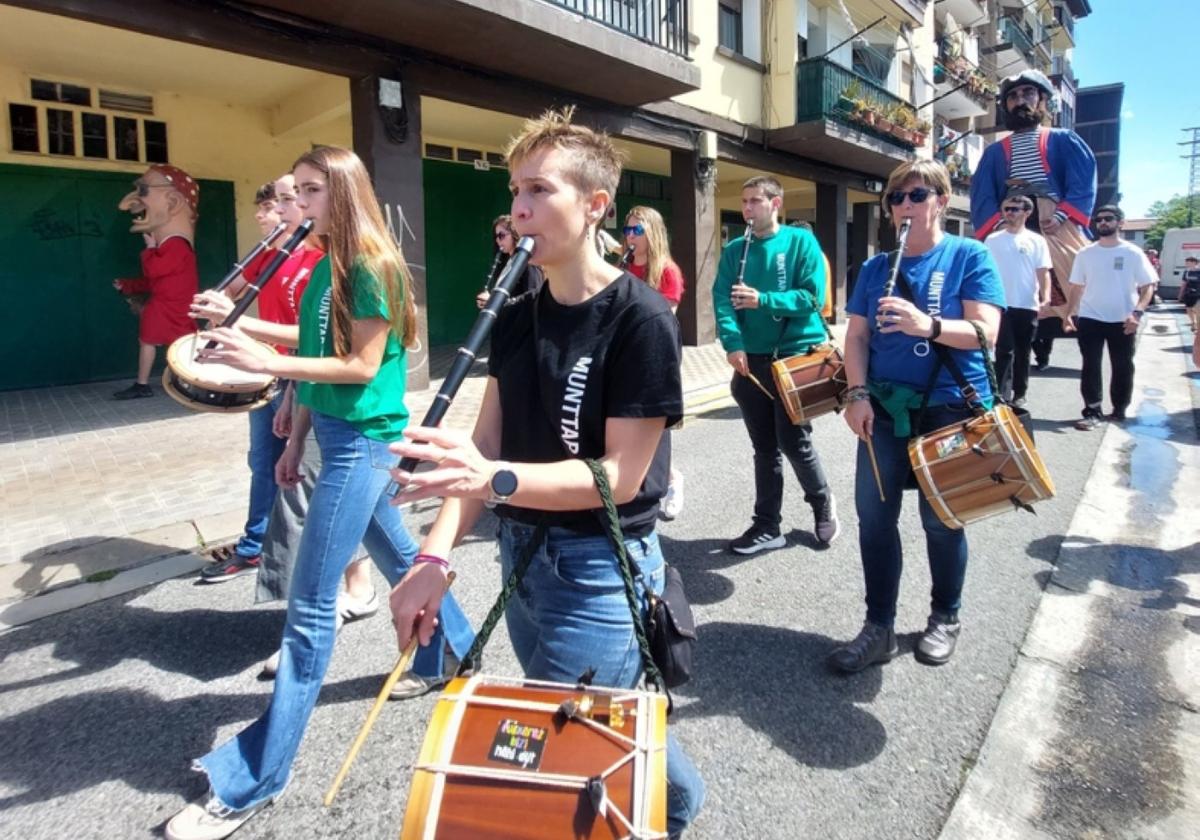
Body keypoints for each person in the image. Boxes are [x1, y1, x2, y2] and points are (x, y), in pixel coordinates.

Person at [387, 107, 705, 838]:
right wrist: (434, 555)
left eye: (538, 190)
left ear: (596, 205)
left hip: (598, 570)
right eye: (514, 192)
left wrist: (492, 479)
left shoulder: (642, 318)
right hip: (522, 561)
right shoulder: (517, 310)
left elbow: (621, 476)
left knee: (569, 764)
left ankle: (667, 811)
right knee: (588, 739)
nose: (518, 208)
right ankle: (676, 806)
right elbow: (486, 441)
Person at [164, 146, 476, 840]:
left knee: (309, 615)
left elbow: (360, 364)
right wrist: (295, 426)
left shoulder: (370, 264)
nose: (297, 204)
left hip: (364, 443)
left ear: (342, 190)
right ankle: (454, 647)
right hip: (332, 439)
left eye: (310, 190)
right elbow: (312, 346)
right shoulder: (325, 264)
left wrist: (270, 365)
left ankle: (253, 782)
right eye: (294, 191)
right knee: (403, 561)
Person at [829, 159, 1005, 673]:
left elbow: (985, 332)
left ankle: (945, 615)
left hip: (950, 408)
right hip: (883, 409)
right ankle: (878, 626)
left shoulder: (970, 254)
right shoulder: (874, 268)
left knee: (941, 523)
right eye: (896, 198)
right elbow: (857, 337)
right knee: (874, 521)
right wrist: (856, 393)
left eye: (917, 195)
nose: (905, 206)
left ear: (941, 201)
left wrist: (926, 324)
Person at [191, 174, 377, 641]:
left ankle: (310, 624)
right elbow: (306, 337)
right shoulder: (292, 259)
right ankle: (422, 621)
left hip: (327, 396)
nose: (273, 209)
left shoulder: (344, 265)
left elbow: (353, 357)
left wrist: (286, 383)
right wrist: (230, 316)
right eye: (280, 199)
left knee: (310, 501)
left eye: (295, 197)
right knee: (345, 505)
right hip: (298, 384)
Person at [712, 175, 839, 554]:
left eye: (755, 201)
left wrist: (762, 300)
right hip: (752, 362)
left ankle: (822, 503)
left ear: (775, 204)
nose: (748, 208)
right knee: (764, 448)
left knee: (793, 441)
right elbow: (722, 299)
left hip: (793, 357)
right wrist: (733, 344)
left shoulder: (801, 241)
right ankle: (767, 526)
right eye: (745, 201)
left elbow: (811, 297)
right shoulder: (736, 249)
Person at [194, 181, 291, 584]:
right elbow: (231, 290)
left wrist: (242, 322)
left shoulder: (317, 257)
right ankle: (255, 545)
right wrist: (215, 302)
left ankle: (307, 556)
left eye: (271, 205)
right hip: (264, 371)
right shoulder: (266, 255)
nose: (261, 215)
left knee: (303, 467)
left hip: (298, 373)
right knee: (263, 461)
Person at [970, 69, 1096, 371]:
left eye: (1028, 94)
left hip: (1057, 221)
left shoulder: (1064, 140)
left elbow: (1082, 182)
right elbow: (983, 196)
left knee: (1084, 284)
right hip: (1010, 220)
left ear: (1042, 101)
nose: (1019, 101)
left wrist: (1063, 215)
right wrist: (1001, 225)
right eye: (1013, 96)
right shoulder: (994, 153)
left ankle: (1089, 355)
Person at [111, 165, 201, 399]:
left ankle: (157, 382)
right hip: (170, 304)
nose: (128, 203)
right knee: (169, 343)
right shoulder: (173, 246)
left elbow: (155, 271)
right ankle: (179, 380)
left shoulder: (176, 245)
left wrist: (149, 250)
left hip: (172, 306)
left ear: (172, 202)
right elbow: (156, 280)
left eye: (143, 190)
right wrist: (128, 285)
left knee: (160, 342)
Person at [1064, 205, 1157, 430]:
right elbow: (1077, 286)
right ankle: (1092, 412)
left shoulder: (1132, 253)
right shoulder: (1085, 253)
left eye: (1109, 219)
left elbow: (1148, 286)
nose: (1103, 223)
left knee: (1122, 365)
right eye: (1099, 219)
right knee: (1090, 365)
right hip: (1090, 318)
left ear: (1120, 223)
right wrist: (1068, 314)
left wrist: (1137, 313)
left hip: (1123, 320)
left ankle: (1119, 409)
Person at [624, 205, 687, 520]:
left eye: (637, 230)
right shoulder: (622, 266)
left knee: (654, 424)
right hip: (625, 354)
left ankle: (671, 480)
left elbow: (663, 320)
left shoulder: (666, 271)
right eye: (628, 230)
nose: (630, 236)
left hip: (654, 355)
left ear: (652, 232)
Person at [984, 194, 1052, 406]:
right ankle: (1002, 395)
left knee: (1023, 351)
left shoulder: (1036, 240)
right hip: (999, 304)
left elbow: (1043, 272)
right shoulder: (992, 239)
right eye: (1006, 209)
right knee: (1004, 350)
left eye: (1014, 209)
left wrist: (1046, 298)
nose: (1009, 213)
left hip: (1026, 303)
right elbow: (984, 271)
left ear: (1027, 212)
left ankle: (1020, 392)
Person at [475, 213, 544, 309]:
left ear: (514, 233)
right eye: (496, 237)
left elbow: (534, 300)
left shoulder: (529, 263)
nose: (498, 241)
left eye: (501, 235)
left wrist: (494, 302)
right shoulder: (508, 263)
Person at [1178, 255, 1200, 332]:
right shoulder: (1187, 272)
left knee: (1198, 310)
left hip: (1198, 294)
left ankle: (1198, 327)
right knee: (1189, 309)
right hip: (1189, 294)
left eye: (1188, 262)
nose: (1186, 264)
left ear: (1194, 262)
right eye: (1186, 262)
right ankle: (1193, 322)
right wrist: (1180, 294)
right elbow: (1183, 284)